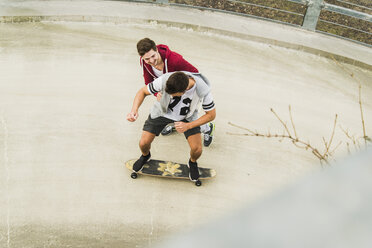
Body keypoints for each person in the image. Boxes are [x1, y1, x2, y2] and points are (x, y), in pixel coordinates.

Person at [127, 71, 216, 181]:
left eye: (173, 95)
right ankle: (145, 156)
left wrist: (188, 126)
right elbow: (143, 91)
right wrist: (134, 110)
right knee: (143, 143)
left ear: (184, 91)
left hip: (187, 117)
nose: (169, 96)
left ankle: (192, 162)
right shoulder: (166, 80)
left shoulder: (203, 89)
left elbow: (211, 115)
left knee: (197, 149)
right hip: (161, 113)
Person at [136, 38, 215, 147]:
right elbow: (148, 80)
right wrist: (156, 93)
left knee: (187, 114)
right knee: (169, 109)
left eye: (153, 56)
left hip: (181, 88)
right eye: (147, 59)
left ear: (157, 50)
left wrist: (187, 89)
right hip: (167, 89)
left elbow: (195, 73)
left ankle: (207, 128)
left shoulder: (174, 60)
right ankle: (173, 124)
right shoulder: (144, 62)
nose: (151, 61)